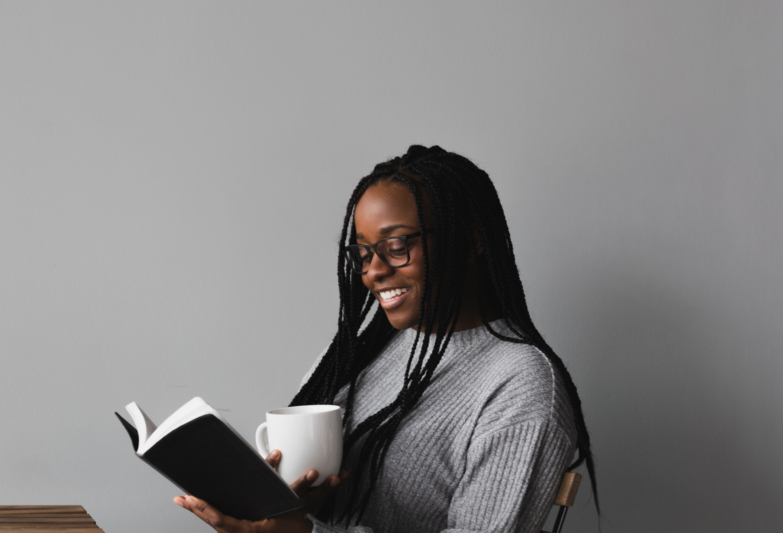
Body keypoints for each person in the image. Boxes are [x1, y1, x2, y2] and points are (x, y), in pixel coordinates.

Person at [174, 145, 598, 533]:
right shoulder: (363, 351)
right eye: (362, 252)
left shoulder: (521, 387)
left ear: (471, 242)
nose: (373, 270)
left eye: (396, 245)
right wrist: (294, 504)